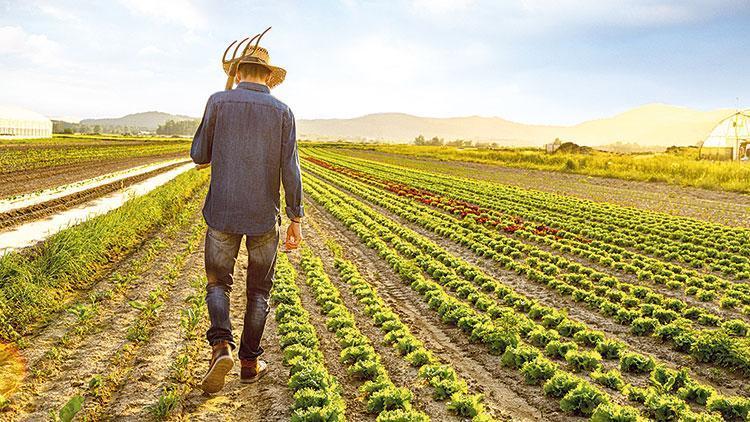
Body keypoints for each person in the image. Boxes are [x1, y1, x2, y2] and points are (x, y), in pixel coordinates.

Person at [190, 32, 303, 394]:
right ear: (268, 77)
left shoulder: (218, 101)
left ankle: (221, 346)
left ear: (237, 72)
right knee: (259, 292)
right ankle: (250, 363)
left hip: (222, 212)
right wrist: (296, 218)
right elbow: (291, 169)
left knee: (217, 283)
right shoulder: (283, 112)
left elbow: (198, 155)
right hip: (263, 218)